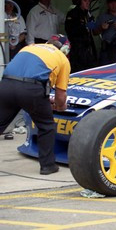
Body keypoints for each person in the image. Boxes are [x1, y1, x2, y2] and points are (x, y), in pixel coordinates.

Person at [0, 34, 71, 175]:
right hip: (31, 90)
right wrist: (60, 106)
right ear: (65, 49)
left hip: (6, 85)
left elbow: (23, 73)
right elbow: (61, 95)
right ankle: (48, 165)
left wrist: (43, 100)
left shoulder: (29, 47)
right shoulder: (62, 58)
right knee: (47, 127)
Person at [65, 0, 98, 72]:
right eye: (85, 1)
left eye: (88, 1)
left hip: (88, 48)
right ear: (80, 1)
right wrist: (85, 27)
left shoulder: (87, 14)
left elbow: (93, 32)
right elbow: (70, 31)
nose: (87, 3)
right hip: (77, 49)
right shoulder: (73, 13)